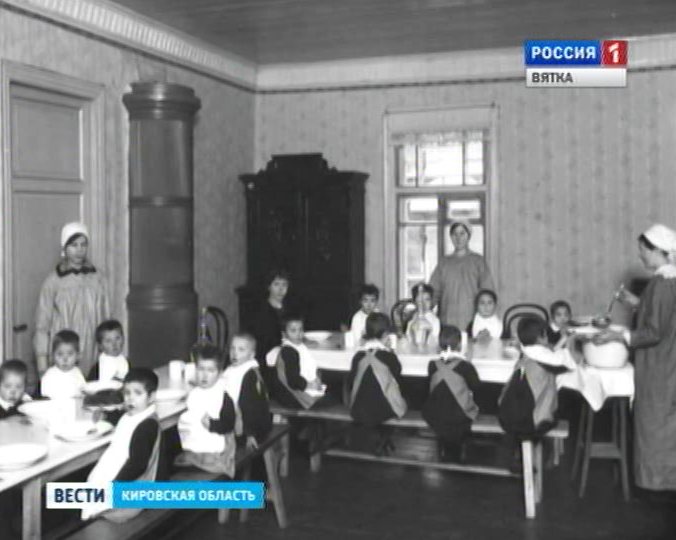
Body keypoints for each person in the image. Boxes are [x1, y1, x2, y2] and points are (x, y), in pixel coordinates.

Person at [594, 223, 676, 493]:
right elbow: (661, 313)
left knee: (655, 425)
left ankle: (660, 483)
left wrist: (619, 336)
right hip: (666, 360)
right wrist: (636, 302)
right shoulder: (667, 280)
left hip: (659, 364)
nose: (640, 255)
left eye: (643, 250)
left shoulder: (664, 283)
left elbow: (654, 331)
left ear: (657, 251)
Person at [34, 222, 110, 383]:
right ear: (65, 247)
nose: (79, 250)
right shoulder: (53, 281)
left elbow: (106, 318)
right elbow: (42, 325)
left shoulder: (98, 278)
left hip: (92, 348)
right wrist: (42, 364)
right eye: (74, 245)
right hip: (64, 350)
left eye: (83, 244)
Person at [83, 368, 161, 522]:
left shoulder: (147, 425)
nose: (131, 399)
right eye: (127, 393)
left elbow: (138, 465)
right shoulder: (134, 414)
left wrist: (115, 486)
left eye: (138, 393)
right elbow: (121, 418)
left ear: (151, 397)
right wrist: (105, 415)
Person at [348, 313, 406, 455]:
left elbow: (351, 381)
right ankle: (383, 437)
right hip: (384, 410)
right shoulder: (388, 356)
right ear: (386, 335)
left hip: (358, 409)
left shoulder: (357, 356)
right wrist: (391, 351)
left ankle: (378, 438)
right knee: (400, 398)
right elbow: (397, 376)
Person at [176, 344, 237, 476]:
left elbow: (229, 424)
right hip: (198, 443)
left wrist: (213, 425)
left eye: (210, 370)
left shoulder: (222, 396)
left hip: (218, 448)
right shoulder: (196, 392)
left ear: (220, 373)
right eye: (200, 369)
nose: (204, 375)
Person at [422, 326, 480, 462]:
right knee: (464, 409)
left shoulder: (432, 365)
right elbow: (476, 386)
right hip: (459, 417)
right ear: (460, 345)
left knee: (442, 403)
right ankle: (456, 449)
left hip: (435, 415)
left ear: (439, 345)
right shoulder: (466, 366)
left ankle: (445, 446)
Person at [429, 221, 495, 328]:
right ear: (451, 237)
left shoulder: (478, 261)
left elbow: (487, 292)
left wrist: (485, 317)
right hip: (447, 319)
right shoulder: (444, 263)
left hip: (473, 320)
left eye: (462, 233)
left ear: (469, 236)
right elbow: (433, 292)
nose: (458, 238)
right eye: (455, 234)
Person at [221, 333, 273, 447]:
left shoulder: (250, 375)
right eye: (232, 348)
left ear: (251, 355)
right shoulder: (232, 369)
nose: (235, 353)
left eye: (241, 350)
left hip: (249, 428)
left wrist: (250, 434)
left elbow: (252, 407)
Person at [272, 314, 326, 409]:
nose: (298, 334)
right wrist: (309, 384)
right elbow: (293, 381)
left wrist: (316, 379)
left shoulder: (299, 346)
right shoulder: (289, 351)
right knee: (335, 399)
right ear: (284, 334)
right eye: (293, 330)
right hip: (292, 395)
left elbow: (310, 367)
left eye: (301, 330)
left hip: (302, 389)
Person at [252, 269, 291, 379]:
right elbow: (263, 344)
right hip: (269, 360)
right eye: (276, 284)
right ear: (269, 286)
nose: (281, 289)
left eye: (284, 285)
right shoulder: (261, 312)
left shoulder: (291, 309)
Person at [40, 330, 86, 399]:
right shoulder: (50, 374)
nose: (65, 359)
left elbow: (83, 391)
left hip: (74, 404)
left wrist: (80, 396)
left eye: (70, 354)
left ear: (78, 355)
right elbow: (46, 395)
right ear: (53, 356)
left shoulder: (77, 372)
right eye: (60, 354)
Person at [405, 283, 441, 347]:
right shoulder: (412, 318)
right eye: (419, 300)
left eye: (427, 300)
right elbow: (408, 338)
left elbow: (434, 341)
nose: (423, 303)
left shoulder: (434, 320)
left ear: (431, 301)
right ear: (414, 302)